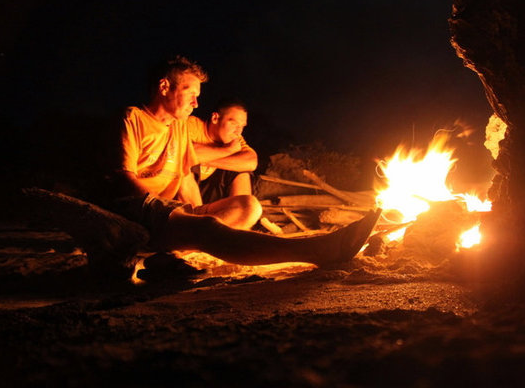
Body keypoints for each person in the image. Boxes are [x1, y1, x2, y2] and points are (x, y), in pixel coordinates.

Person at [108, 55, 379, 266]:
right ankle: (314, 251)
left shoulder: (180, 126)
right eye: (191, 94)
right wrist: (169, 211)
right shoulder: (133, 118)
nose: (196, 103)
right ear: (164, 87)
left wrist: (193, 212)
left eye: (198, 97)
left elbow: (188, 173)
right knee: (206, 228)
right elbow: (124, 178)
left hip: (171, 212)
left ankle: (189, 244)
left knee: (248, 206)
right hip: (140, 213)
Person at [187, 98, 260, 229]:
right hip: (184, 195)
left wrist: (208, 161)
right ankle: (193, 224)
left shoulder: (235, 137)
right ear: (215, 118)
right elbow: (184, 154)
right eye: (234, 124)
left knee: (241, 169)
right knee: (186, 163)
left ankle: (238, 225)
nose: (238, 132)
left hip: (211, 196)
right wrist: (228, 150)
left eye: (242, 127)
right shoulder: (192, 125)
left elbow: (251, 161)